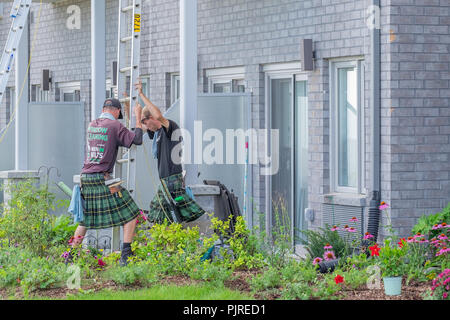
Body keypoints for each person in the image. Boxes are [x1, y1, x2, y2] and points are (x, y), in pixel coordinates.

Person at [69, 98, 143, 266]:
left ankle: (71, 255)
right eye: (119, 114)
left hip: (86, 178)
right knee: (131, 213)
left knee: (85, 219)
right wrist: (137, 118)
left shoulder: (93, 124)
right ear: (116, 111)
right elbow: (137, 140)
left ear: (104, 109)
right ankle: (126, 254)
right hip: (102, 178)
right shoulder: (114, 126)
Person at [135, 79, 205, 224]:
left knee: (157, 209)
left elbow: (159, 115)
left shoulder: (170, 128)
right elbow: (138, 130)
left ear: (152, 118)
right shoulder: (156, 133)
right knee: (167, 215)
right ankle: (172, 238)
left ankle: (196, 225)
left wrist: (142, 95)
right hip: (166, 179)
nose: (145, 126)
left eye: (145, 121)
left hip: (172, 178)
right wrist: (135, 112)